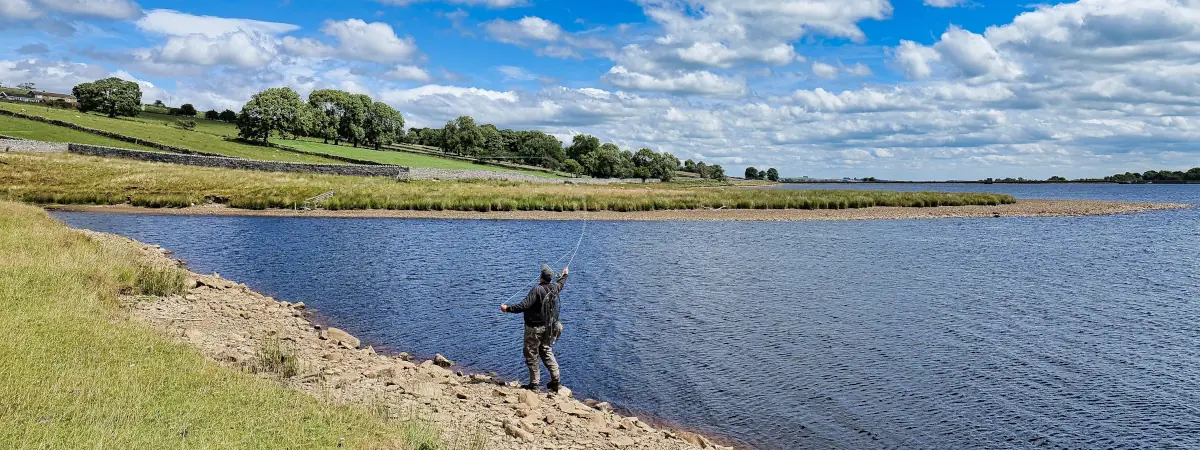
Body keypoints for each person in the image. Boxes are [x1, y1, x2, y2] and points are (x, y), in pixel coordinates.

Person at [501, 264, 567, 392]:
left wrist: (507, 309)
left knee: (531, 355)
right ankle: (556, 381)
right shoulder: (554, 288)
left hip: (534, 330)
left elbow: (523, 306)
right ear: (550, 279)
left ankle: (534, 385)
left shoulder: (537, 290)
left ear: (541, 277)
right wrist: (565, 275)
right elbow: (561, 283)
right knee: (546, 351)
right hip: (548, 328)